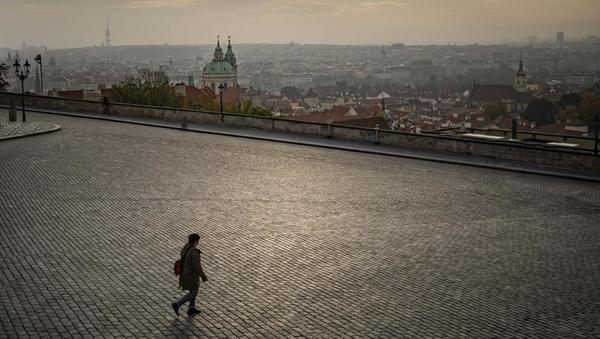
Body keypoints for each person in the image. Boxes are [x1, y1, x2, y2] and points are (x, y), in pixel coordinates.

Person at [172, 233, 207, 316]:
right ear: (195, 241)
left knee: (193, 289)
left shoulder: (186, 247)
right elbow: (197, 266)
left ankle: (191, 308)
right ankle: (177, 304)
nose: (198, 242)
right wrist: (203, 277)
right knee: (194, 292)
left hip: (184, 273)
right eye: (197, 241)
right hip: (191, 275)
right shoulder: (194, 252)